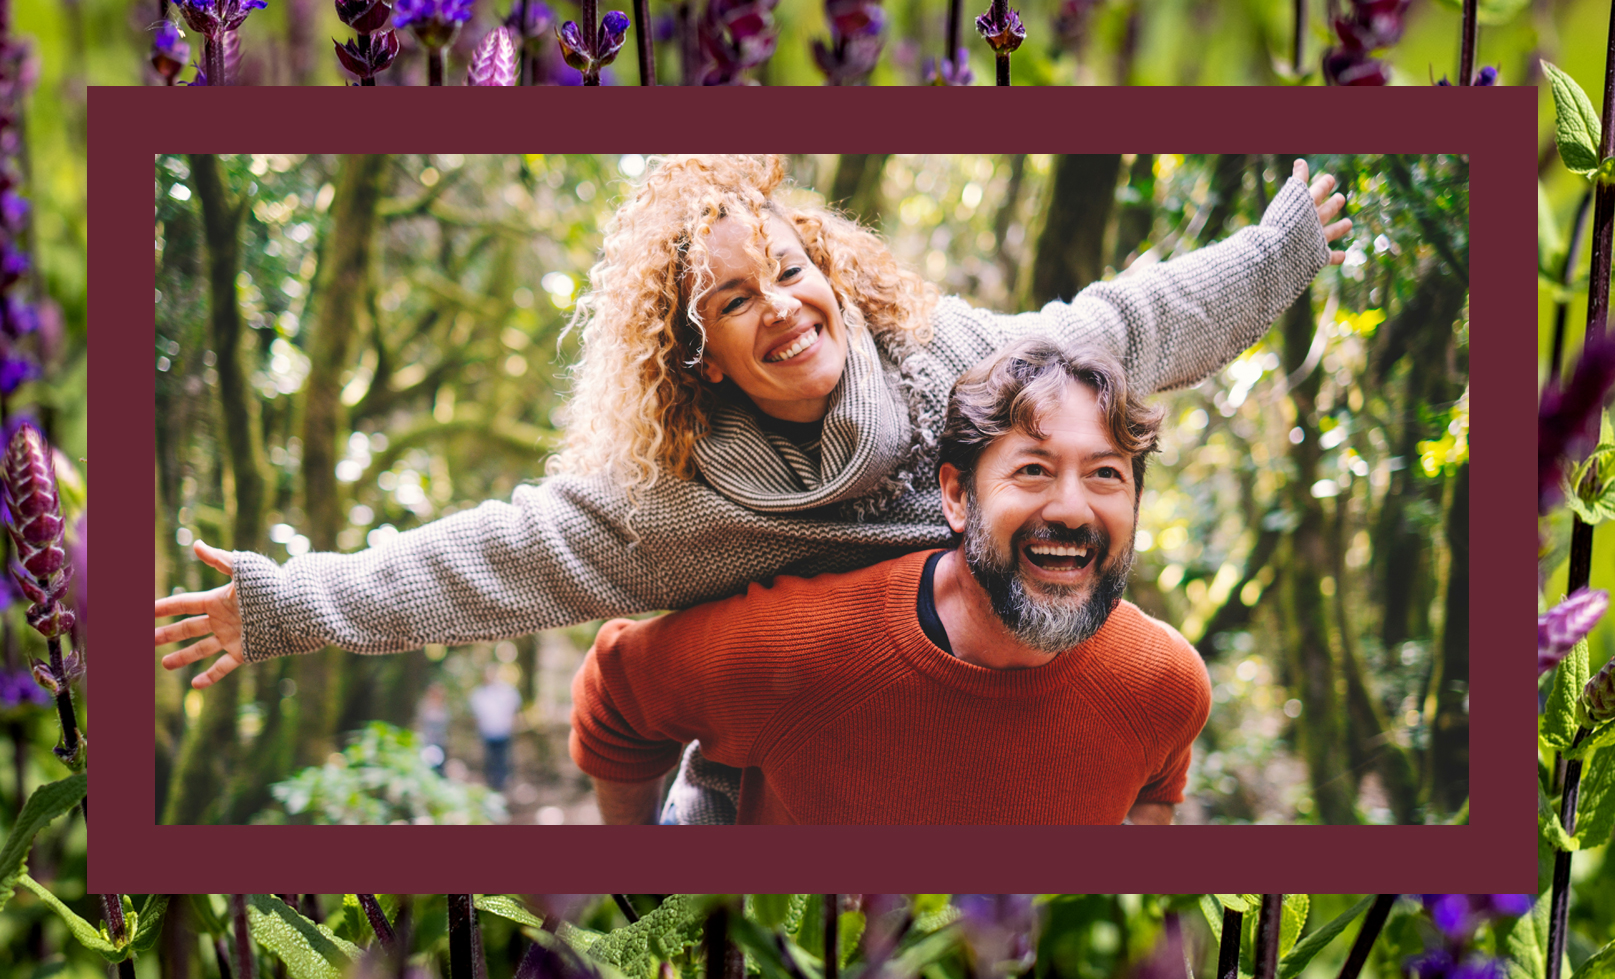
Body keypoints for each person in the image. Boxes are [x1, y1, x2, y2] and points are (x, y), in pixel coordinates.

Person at [154, 155, 1350, 825]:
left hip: (967, 694)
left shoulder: (944, 360)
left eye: (788, 269)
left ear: (830, 275)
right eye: (734, 300)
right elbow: (489, 559)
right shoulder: (674, 501)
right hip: (763, 767)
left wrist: (1282, 245)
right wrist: (283, 603)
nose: (780, 304)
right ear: (700, 356)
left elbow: (1125, 323)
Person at [571, 338, 1206, 825]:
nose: (1071, 509)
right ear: (958, 497)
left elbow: (1156, 789)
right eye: (1034, 469)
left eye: (1105, 475)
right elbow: (616, 695)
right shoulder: (804, 649)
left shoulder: (1164, 682)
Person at [469, 666, 522, 792]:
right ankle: (492, 785)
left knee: (502, 759)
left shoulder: (507, 692)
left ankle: (502, 785)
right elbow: (476, 715)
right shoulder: (479, 695)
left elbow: (515, 709)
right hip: (487, 732)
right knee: (490, 760)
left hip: (503, 731)